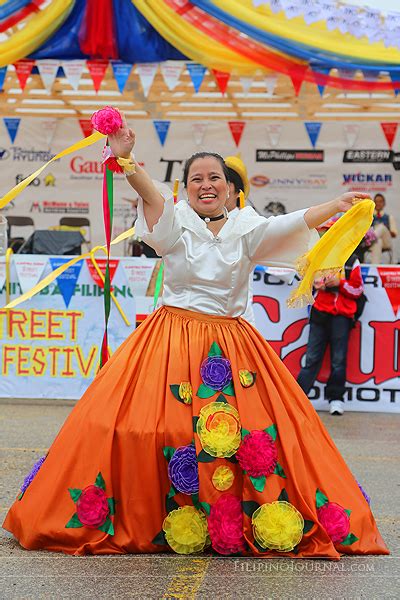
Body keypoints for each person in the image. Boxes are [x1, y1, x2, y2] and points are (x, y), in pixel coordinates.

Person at [3, 115, 388, 559]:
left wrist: (337, 202)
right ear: (186, 188)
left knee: (262, 434)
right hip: (169, 340)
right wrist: (127, 161)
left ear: (229, 186)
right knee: (142, 428)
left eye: (215, 178)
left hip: (234, 344)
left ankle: (230, 519)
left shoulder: (248, 228)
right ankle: (157, 516)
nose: (207, 185)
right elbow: (152, 196)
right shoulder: (175, 223)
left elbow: (295, 223)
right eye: (196, 179)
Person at [297, 248, 364, 416]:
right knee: (311, 358)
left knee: (338, 360)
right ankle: (297, 399)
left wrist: (339, 284)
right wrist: (317, 283)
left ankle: (336, 399)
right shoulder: (320, 255)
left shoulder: (352, 261)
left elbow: (358, 290)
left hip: (342, 316)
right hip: (320, 313)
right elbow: (306, 280)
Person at [224, 155, 256, 326]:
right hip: (202, 319)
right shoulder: (196, 221)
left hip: (239, 317)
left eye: (226, 182)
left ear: (238, 192)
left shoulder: (249, 223)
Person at [369, 193, 397, 264]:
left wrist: (385, 229)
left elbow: (394, 234)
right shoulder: (369, 217)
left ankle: (371, 238)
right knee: (378, 242)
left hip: (386, 242)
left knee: (381, 227)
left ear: (384, 203)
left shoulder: (389, 217)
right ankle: (375, 268)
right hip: (374, 243)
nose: (378, 203)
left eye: (380, 201)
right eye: (376, 202)